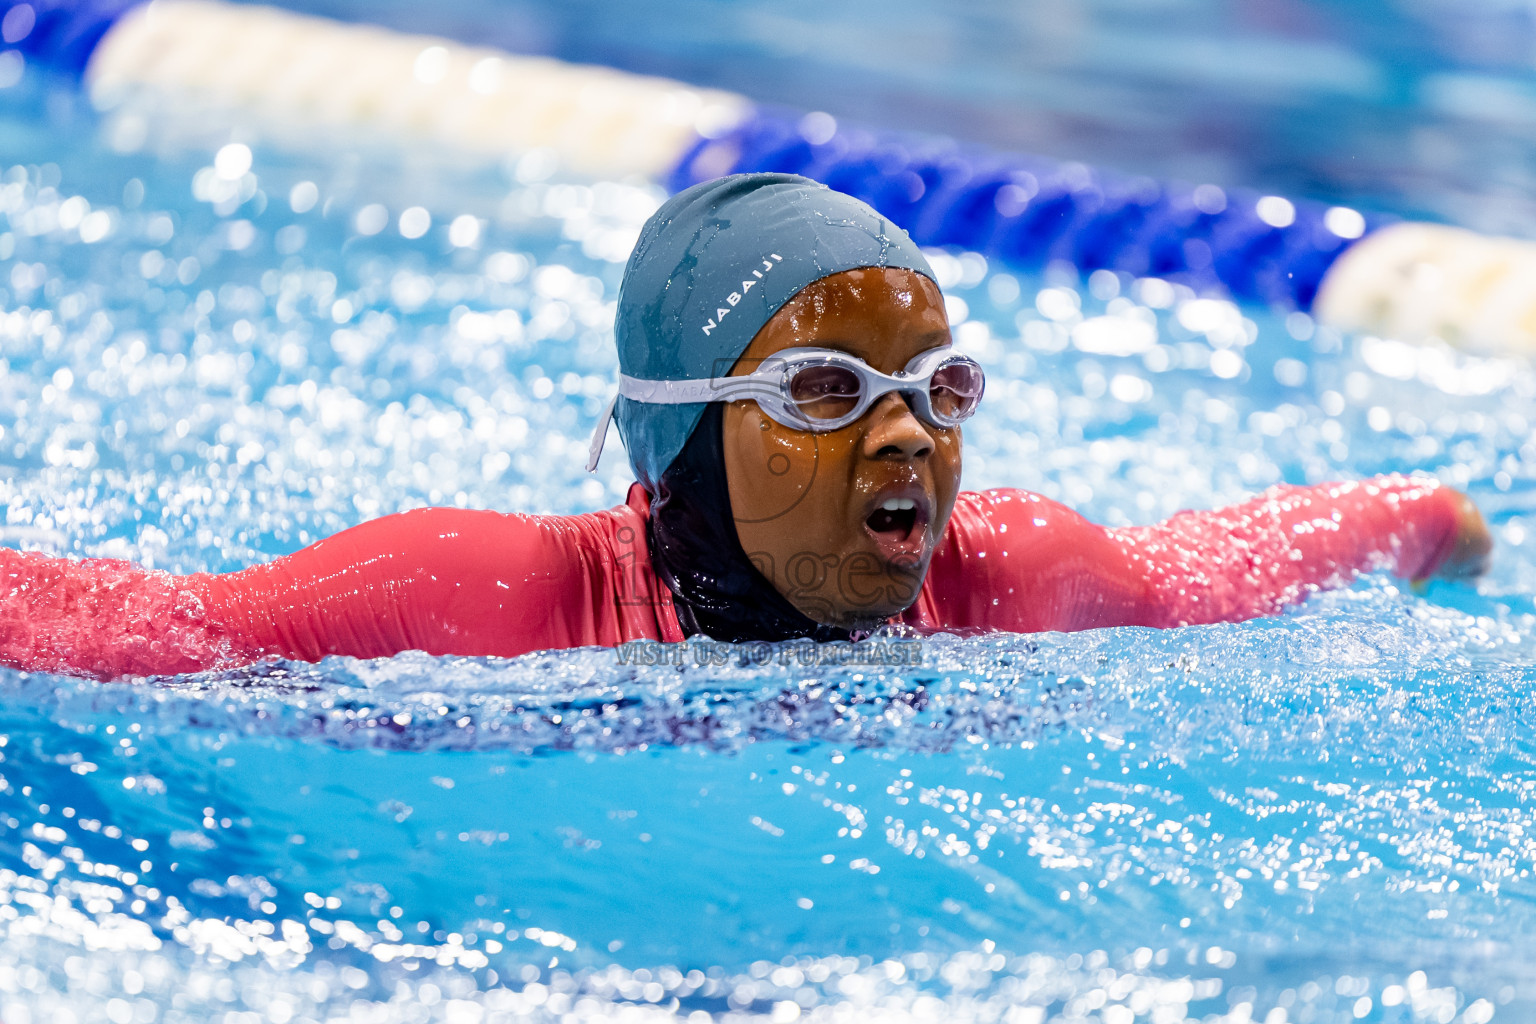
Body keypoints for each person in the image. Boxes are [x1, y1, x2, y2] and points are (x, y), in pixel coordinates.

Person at [0, 174, 1492, 680]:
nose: (908, 440)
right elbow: (135, 629)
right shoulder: (499, 597)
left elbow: (1204, 574)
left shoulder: (1013, 577)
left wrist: (1426, 516)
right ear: (680, 438)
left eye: (937, 389)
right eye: (826, 393)